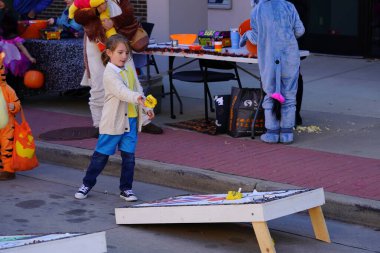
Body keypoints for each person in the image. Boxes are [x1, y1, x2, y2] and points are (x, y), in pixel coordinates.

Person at [74, 34, 153, 201]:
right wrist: (137, 98)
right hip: (113, 122)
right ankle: (87, 184)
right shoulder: (109, 73)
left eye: (127, 53)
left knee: (129, 158)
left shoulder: (130, 70)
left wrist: (146, 109)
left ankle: (126, 189)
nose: (124, 56)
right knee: (101, 156)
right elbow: (121, 91)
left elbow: (138, 89)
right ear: (109, 53)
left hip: (130, 122)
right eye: (120, 52)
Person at [74, 0, 163, 135]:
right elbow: (78, 16)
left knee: (132, 81)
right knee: (98, 84)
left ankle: (144, 120)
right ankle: (99, 125)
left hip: (117, 41)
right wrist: (96, 11)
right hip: (95, 41)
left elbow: (128, 15)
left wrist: (113, 23)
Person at [240, 0, 305, 144]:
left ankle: (272, 133)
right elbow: (300, 31)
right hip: (289, 57)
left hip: (269, 58)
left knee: (270, 94)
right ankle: (287, 134)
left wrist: (245, 36)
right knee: (289, 96)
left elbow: (255, 38)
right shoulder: (289, 6)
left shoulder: (257, 10)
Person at [0, 1, 36, 99]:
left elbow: (21, 47)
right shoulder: (4, 39)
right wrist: (30, 57)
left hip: (11, 61)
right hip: (7, 61)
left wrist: (30, 57)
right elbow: (21, 47)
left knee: (11, 78)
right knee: (9, 78)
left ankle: (11, 95)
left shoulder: (10, 39)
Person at [0, 51, 22, 180]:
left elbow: (17, 103)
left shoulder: (7, 89)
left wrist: (14, 106)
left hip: (7, 125)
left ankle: (8, 170)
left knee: (7, 148)